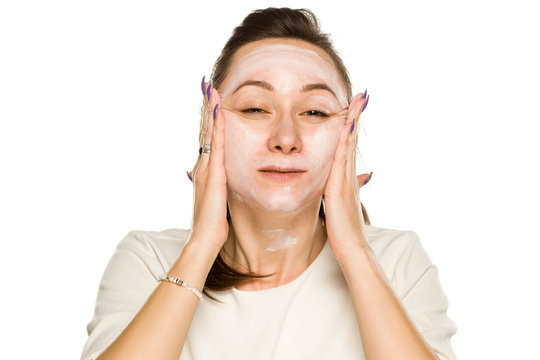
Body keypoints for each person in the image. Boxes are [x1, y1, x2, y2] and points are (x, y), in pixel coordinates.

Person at [81, 7, 457, 360]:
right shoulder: (150, 260)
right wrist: (202, 244)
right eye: (255, 108)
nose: (286, 137)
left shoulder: (397, 260)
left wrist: (355, 253)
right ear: (209, 127)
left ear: (348, 132)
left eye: (314, 111)